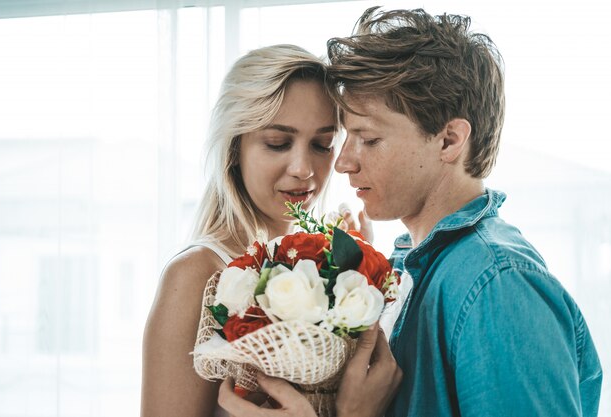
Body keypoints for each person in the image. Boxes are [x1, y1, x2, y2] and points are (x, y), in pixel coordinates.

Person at [218, 7, 603, 417]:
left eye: (368, 138)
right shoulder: (411, 267)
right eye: (346, 138)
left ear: (449, 140)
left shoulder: (499, 285)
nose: (343, 162)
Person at [140, 44, 389, 417]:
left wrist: (357, 275)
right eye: (278, 143)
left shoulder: (326, 265)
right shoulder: (194, 275)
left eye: (322, 145)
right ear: (234, 148)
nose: (304, 168)